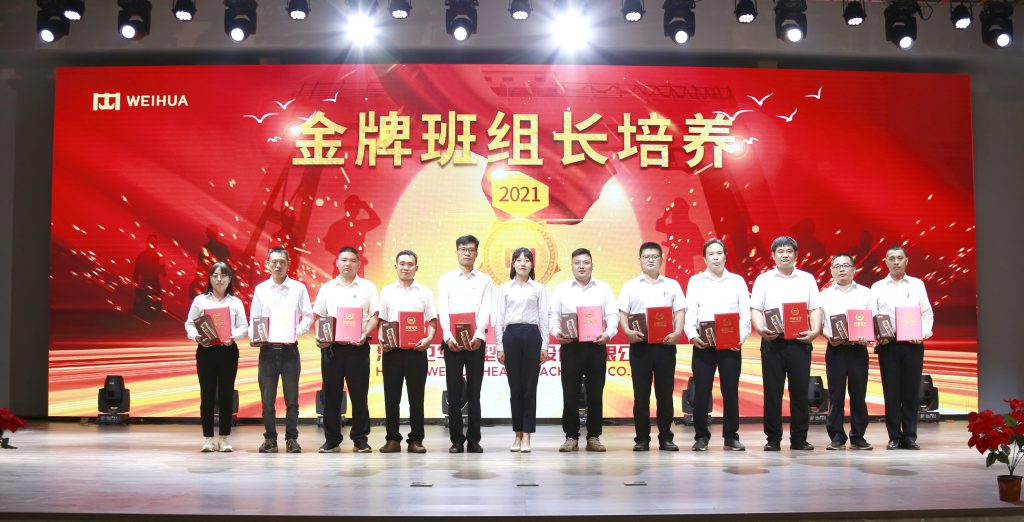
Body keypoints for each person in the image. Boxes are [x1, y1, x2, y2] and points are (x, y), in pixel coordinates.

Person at [751, 236, 822, 451]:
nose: (784, 255)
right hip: (773, 342)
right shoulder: (763, 279)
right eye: (780, 251)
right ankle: (773, 439)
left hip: (800, 342)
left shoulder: (807, 279)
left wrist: (815, 331)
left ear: (796, 255)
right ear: (773, 255)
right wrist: (760, 330)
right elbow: (756, 309)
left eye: (788, 251)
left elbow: (815, 308)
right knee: (772, 392)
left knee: (800, 392)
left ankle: (799, 439)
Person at [618, 241, 687, 452]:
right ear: (639, 259)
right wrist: (627, 332)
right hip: (640, 346)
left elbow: (680, 312)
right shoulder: (630, 286)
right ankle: (642, 439)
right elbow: (622, 313)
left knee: (665, 395)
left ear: (661, 259)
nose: (650, 260)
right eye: (646, 256)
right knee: (641, 396)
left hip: (665, 345)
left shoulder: (672, 285)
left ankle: (666, 437)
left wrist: (677, 332)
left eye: (655, 256)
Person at [684, 238, 750, 452]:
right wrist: (692, 335)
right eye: (711, 254)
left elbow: (745, 313)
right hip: (703, 345)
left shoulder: (737, 281)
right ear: (704, 258)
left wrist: (740, 338)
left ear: (725, 256)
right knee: (701, 392)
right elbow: (690, 311)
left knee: (730, 391)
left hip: (730, 346)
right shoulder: (696, 281)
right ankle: (701, 436)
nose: (715, 258)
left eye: (719, 253)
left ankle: (731, 436)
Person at [549, 248, 618, 453]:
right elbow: (553, 317)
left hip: (596, 346)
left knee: (595, 393)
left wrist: (608, 334)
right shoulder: (562, 289)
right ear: (571, 266)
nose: (581, 266)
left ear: (592, 265)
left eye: (586, 262)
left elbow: (612, 316)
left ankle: (594, 436)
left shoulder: (603, 288)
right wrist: (557, 333)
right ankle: (571, 436)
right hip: (571, 346)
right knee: (569, 393)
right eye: (577, 263)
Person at [313, 246, 380, 454]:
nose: (347, 264)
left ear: (358, 263)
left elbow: (375, 316)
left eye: (352, 260)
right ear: (337, 263)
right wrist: (320, 337)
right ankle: (332, 440)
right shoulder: (327, 288)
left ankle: (360, 439)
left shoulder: (368, 287)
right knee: (331, 396)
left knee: (359, 396)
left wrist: (365, 333)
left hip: (358, 348)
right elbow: (319, 317)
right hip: (332, 350)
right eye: (343, 260)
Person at [249, 247, 313, 453]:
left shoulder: (298, 288)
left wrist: (295, 332)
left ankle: (292, 438)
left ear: (288, 264)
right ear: (267, 264)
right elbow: (255, 318)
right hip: (267, 351)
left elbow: (308, 316)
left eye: (282, 262)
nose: (278, 265)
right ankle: (270, 438)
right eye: (274, 262)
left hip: (289, 351)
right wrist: (254, 336)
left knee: (292, 400)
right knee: (267, 400)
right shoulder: (261, 289)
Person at [870, 245, 934, 450]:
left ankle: (910, 436)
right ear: (886, 262)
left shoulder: (917, 285)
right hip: (888, 345)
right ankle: (894, 437)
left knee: (911, 391)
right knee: (891, 392)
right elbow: (872, 315)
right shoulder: (877, 287)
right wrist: (878, 336)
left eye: (900, 258)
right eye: (892, 258)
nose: (896, 262)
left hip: (913, 345)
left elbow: (926, 314)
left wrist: (921, 334)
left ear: (907, 260)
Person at [436, 235, 493, 454]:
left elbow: (485, 309)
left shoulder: (485, 280)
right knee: (454, 391)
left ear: (476, 253)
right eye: (463, 249)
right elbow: (443, 309)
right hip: (452, 343)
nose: (467, 253)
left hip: (476, 342)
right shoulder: (446, 279)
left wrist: (478, 335)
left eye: (471, 249)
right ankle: (456, 440)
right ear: (457, 252)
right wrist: (448, 336)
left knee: (475, 392)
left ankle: (474, 439)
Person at [184, 261, 248, 453]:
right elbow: (189, 324)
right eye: (215, 275)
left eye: (223, 275)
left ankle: (224, 438)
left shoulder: (235, 302)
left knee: (227, 394)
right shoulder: (200, 300)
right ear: (209, 279)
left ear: (230, 279)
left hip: (228, 351)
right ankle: (208, 438)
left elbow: (243, 326)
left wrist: (232, 336)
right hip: (206, 351)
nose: (219, 279)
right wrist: (196, 337)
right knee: (207, 395)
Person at [378, 250, 437, 454]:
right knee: (391, 398)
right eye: (402, 264)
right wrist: (382, 339)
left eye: (410, 264)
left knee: (416, 398)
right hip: (392, 352)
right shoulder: (387, 291)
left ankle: (416, 440)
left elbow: (432, 321)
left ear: (416, 268)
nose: (405, 267)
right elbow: (382, 321)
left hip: (416, 352)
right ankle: (392, 439)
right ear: (396, 266)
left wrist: (428, 339)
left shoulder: (425, 292)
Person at [494, 247, 549, 453]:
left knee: (529, 388)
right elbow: (499, 319)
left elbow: (544, 318)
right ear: (513, 263)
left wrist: (545, 345)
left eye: (527, 260)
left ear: (532, 264)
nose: (523, 263)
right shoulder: (504, 289)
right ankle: (517, 435)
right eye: (519, 260)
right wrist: (499, 346)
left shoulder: (539, 289)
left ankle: (527, 436)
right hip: (511, 336)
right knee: (515, 389)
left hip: (532, 335)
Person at [819, 253, 874, 451]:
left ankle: (858, 436)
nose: (841, 269)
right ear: (832, 271)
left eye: (846, 265)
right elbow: (819, 324)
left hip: (858, 350)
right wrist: (828, 336)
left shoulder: (866, 293)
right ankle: (836, 437)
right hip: (835, 349)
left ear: (854, 269)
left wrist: (867, 336)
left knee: (859, 394)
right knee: (836, 394)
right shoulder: (824, 295)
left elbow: (872, 319)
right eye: (837, 266)